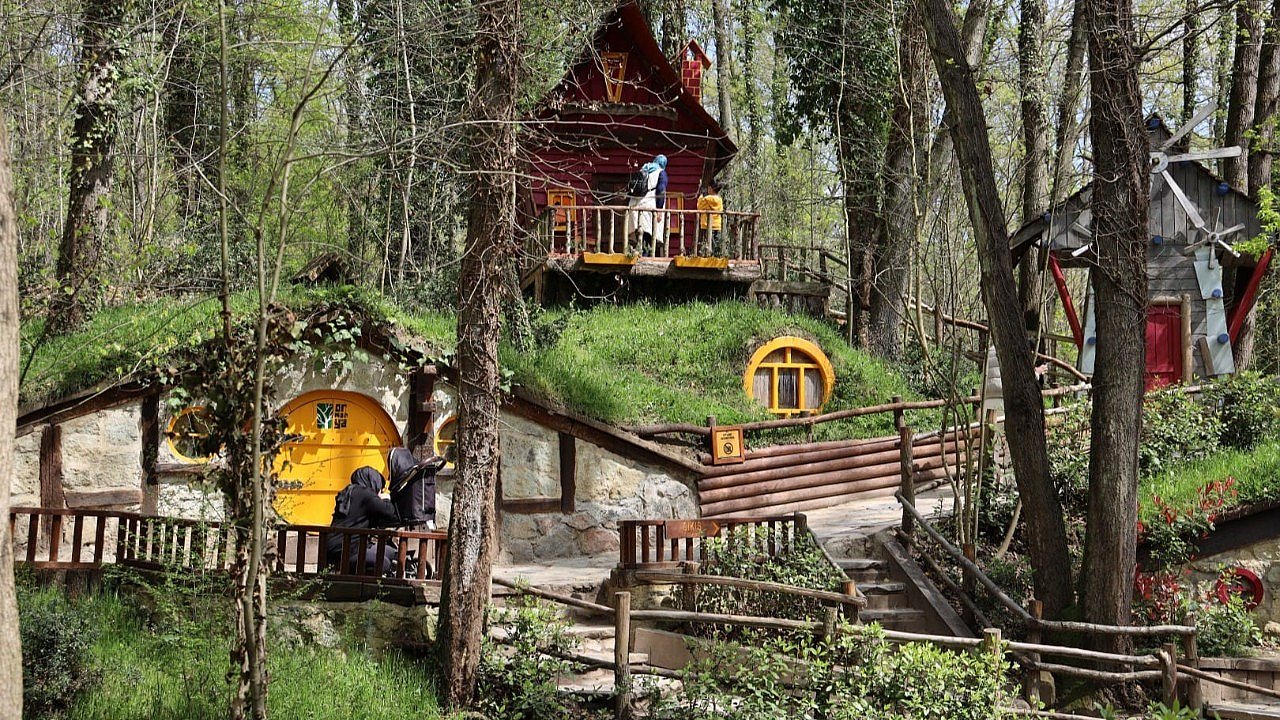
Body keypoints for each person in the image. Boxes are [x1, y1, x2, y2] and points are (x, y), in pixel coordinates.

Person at [325, 466, 400, 575]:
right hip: (348, 550)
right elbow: (389, 512)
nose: (379, 491)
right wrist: (386, 499)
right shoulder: (366, 494)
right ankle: (354, 580)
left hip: (334, 548)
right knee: (384, 563)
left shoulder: (348, 491)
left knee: (390, 552)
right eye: (380, 487)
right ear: (373, 481)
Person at [627, 154, 668, 255]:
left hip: (634, 205)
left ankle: (637, 254)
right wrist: (659, 210)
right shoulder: (661, 172)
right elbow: (661, 191)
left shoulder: (643, 170)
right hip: (648, 206)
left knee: (639, 234)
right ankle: (644, 257)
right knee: (648, 235)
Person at [697, 181, 724, 257]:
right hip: (717, 225)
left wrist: (701, 196)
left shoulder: (707, 199)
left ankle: (707, 257)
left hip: (706, 225)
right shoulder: (720, 199)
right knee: (715, 246)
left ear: (711, 188)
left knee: (706, 245)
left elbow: (699, 207)